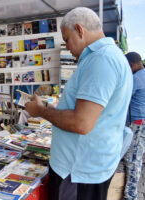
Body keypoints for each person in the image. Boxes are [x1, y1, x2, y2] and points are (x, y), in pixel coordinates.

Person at [25, 7, 133, 200]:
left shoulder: (102, 59)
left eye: (66, 39)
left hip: (78, 174)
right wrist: (48, 109)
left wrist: (41, 111)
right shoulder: (105, 57)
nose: (66, 46)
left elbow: (81, 122)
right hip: (86, 168)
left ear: (80, 30)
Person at [123, 52, 145, 200]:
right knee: (134, 157)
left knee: (132, 159)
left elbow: (122, 97)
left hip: (137, 124)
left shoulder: (136, 78)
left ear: (131, 65)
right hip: (139, 123)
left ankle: (131, 196)